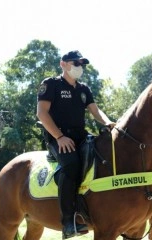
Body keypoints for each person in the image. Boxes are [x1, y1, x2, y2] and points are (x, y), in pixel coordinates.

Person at [36, 50, 115, 239]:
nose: (79, 67)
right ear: (63, 64)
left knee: (102, 158)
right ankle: (68, 222)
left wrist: (108, 122)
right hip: (57, 138)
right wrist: (60, 137)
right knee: (71, 166)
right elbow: (42, 113)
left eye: (82, 64)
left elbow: (96, 111)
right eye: (76, 63)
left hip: (81, 136)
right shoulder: (51, 84)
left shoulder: (84, 89)